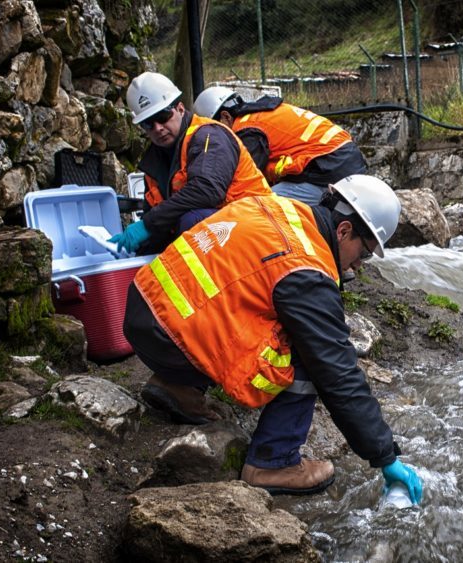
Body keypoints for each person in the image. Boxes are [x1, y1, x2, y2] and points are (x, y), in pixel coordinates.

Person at [121, 174, 423, 503]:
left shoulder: (275, 207)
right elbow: (338, 373)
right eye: (363, 254)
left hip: (143, 310)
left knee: (244, 302)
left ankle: (176, 387)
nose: (358, 266)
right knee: (308, 350)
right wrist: (385, 456)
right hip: (176, 342)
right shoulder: (306, 268)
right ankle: (273, 462)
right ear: (344, 230)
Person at [112, 73, 271, 255]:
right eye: (148, 124)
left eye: (163, 116)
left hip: (259, 226)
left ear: (180, 109)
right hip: (231, 230)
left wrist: (148, 224)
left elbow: (207, 190)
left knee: (191, 221)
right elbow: (160, 218)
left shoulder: (209, 136)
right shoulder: (155, 161)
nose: (158, 128)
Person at [192, 86, 367, 206]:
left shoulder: (247, 131)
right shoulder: (261, 115)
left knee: (260, 208)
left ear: (225, 116)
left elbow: (245, 181)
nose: (214, 136)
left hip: (329, 168)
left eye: (214, 128)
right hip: (341, 162)